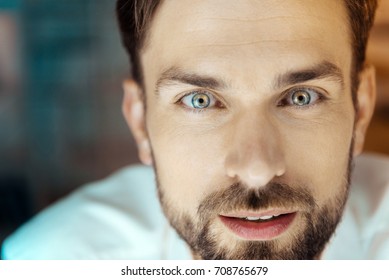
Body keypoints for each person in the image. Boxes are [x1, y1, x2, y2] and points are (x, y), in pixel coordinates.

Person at [2, 0, 389, 260]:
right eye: (199, 100)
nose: (257, 170)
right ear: (140, 121)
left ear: (361, 109)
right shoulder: (54, 259)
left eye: (302, 97)